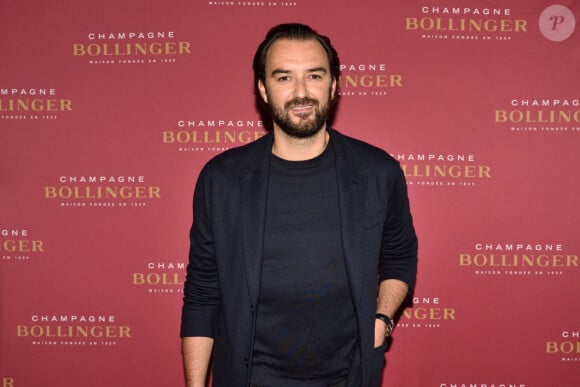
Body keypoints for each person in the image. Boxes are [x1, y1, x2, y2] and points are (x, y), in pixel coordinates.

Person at [180, 23, 418, 387]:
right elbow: (202, 292)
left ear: (334, 85)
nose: (301, 92)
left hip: (348, 377)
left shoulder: (377, 172)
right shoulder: (222, 179)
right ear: (263, 88)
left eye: (315, 76)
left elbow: (400, 256)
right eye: (284, 77)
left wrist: (381, 319)